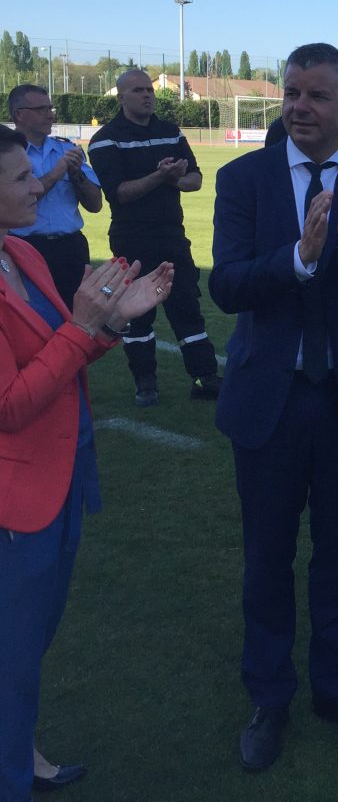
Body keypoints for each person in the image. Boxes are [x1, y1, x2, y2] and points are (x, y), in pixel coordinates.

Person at [209, 43, 338, 772]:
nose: (299, 107)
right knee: (267, 556)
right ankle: (270, 695)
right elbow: (225, 285)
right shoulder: (245, 178)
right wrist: (299, 257)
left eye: (317, 95)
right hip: (271, 400)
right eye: (292, 92)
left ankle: (335, 687)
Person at [0, 124, 174, 802]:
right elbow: (11, 405)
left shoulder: (22, 252)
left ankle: (19, 751)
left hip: (64, 472)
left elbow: (62, 354)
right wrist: (81, 324)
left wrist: (112, 318)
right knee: (13, 653)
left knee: (28, 644)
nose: (37, 186)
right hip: (18, 496)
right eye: (21, 178)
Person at [87, 69, 221, 406]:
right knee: (137, 315)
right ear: (121, 97)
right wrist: (161, 176)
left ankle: (204, 377)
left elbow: (195, 180)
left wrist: (172, 179)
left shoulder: (170, 131)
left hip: (172, 235)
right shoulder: (105, 139)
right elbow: (120, 193)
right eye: (138, 90)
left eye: (149, 89)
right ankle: (145, 382)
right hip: (132, 239)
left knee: (186, 306)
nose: (147, 95)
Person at [8, 85, 103, 311]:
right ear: (19, 114)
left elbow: (95, 204)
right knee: (32, 314)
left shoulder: (66, 149)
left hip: (70, 248)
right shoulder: (9, 155)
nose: (50, 114)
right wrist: (57, 172)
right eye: (41, 109)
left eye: (50, 108)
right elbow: (14, 201)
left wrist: (76, 174)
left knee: (77, 315)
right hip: (25, 247)